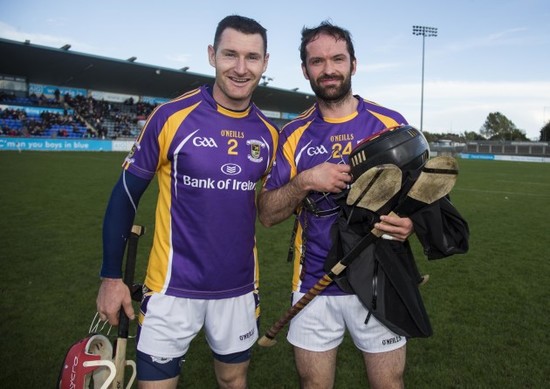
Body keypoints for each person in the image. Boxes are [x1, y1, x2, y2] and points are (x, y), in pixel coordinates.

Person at [258, 21, 448, 389]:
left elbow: (424, 198)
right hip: (314, 281)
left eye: (337, 59)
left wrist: (410, 224)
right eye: (317, 61)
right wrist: (306, 180)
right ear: (305, 70)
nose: (328, 69)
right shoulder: (292, 135)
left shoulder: (391, 123)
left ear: (353, 64)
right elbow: (267, 214)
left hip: (382, 277)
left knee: (389, 383)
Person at [96, 15, 277, 389]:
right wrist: (111, 277)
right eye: (230, 54)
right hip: (170, 290)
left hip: (239, 288)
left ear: (265, 62)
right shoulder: (170, 116)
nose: (241, 69)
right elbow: (125, 195)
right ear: (212, 55)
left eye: (252, 58)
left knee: (233, 380)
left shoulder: (270, 133)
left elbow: (279, 203)